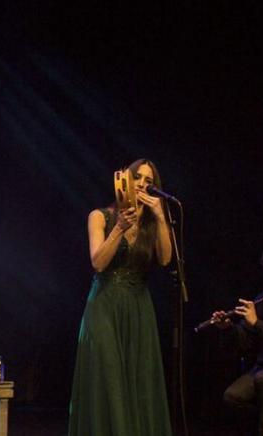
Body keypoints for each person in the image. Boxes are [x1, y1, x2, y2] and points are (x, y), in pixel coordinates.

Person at [68, 159, 173, 435]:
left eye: (148, 182)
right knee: (110, 380)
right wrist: (119, 229)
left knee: (139, 381)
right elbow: (98, 262)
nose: (141, 184)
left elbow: (165, 259)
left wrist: (161, 217)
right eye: (137, 177)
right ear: (125, 178)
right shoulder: (101, 216)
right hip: (104, 306)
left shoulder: (151, 223)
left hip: (139, 307)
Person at [212, 246, 263, 435]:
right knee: (232, 396)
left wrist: (257, 323)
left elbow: (260, 329)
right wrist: (228, 328)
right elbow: (246, 343)